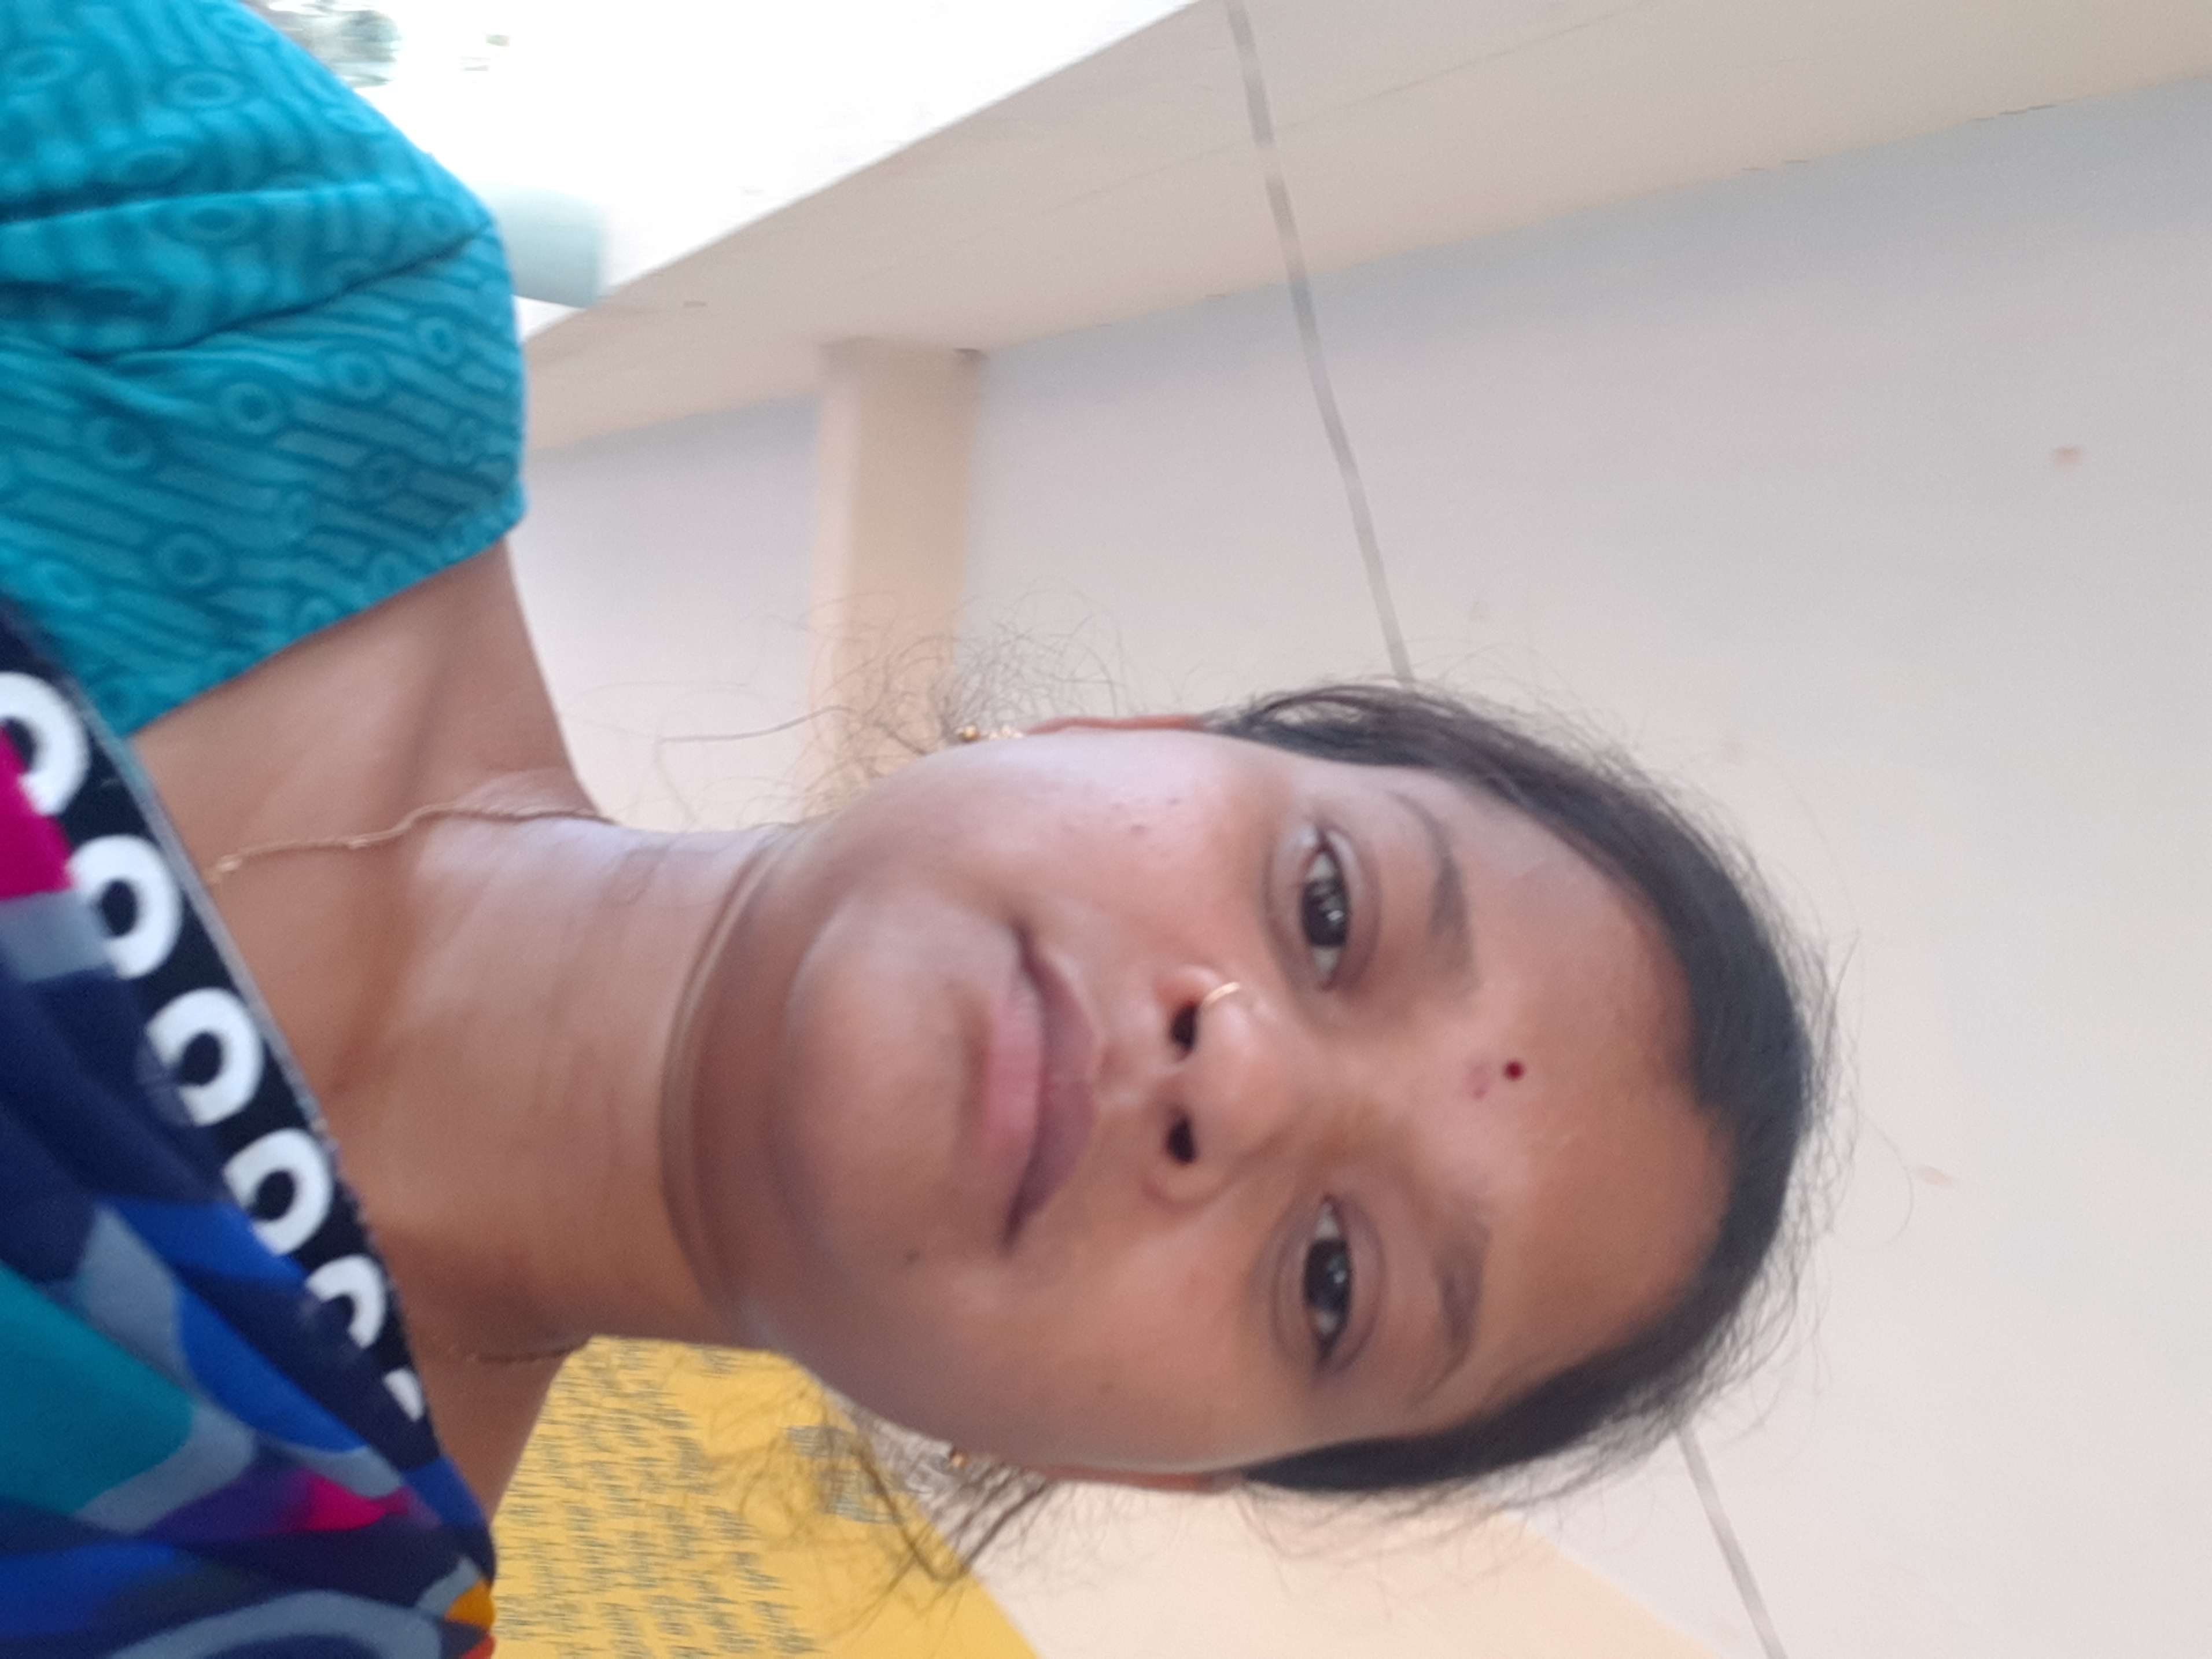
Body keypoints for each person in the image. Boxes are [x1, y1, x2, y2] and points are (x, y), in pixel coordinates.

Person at [0, 0, 1824, 1650]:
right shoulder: (269, 281)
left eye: (1334, 1280)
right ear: (1116, 736)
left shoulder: (258, 1609)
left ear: (1138, 1463)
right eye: (1329, 910)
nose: (1245, 1076)